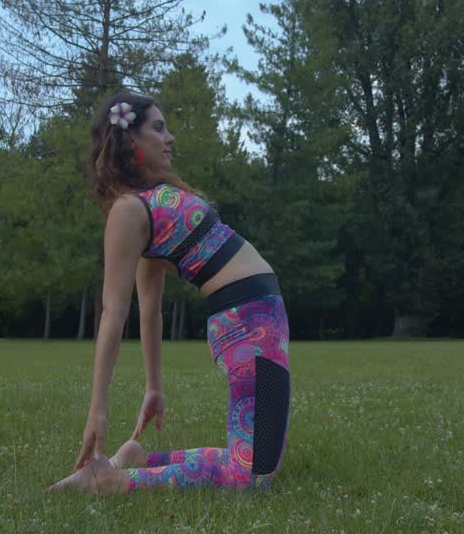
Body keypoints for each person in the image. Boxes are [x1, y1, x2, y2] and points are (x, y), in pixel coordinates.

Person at [48, 91, 291, 495]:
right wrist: (98, 410)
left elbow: (152, 310)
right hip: (249, 323)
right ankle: (110, 481)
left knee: (251, 464)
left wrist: (154, 388)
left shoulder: (148, 204)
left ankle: (140, 460)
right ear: (129, 141)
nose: (170, 138)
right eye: (158, 128)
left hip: (256, 317)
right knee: (254, 476)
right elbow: (115, 311)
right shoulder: (127, 211)